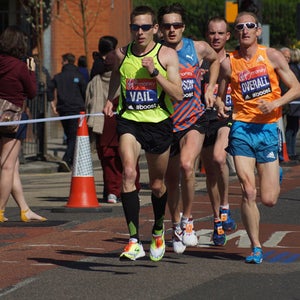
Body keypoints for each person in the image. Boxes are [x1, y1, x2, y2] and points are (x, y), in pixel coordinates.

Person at [217, 12, 300, 264]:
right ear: (236, 32)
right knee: (248, 190)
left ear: (258, 30)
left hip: (267, 129)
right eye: (240, 26)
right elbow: (221, 90)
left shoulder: (272, 56)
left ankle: (275, 173)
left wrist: (275, 102)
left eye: (250, 26)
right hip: (241, 128)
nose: (245, 30)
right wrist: (220, 102)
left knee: (269, 199)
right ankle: (256, 246)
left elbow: (296, 87)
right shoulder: (228, 62)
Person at [103, 5, 183, 261]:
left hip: (159, 124)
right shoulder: (121, 53)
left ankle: (159, 228)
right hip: (130, 122)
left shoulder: (167, 55)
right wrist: (110, 98)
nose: (140, 32)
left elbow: (178, 94)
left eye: (146, 27)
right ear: (130, 28)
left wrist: (155, 73)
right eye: (135, 27)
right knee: (128, 172)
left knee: (158, 185)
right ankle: (134, 240)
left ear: (155, 29)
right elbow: (117, 74)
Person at [157, 3, 220, 254]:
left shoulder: (198, 48)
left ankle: (189, 220)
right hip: (167, 122)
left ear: (183, 27)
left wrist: (209, 87)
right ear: (160, 29)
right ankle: (176, 227)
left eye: (176, 25)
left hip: (194, 118)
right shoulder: (156, 53)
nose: (172, 30)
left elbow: (216, 61)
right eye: (167, 26)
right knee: (171, 181)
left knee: (186, 165)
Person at [86, 36, 140, 203]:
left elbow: (88, 101)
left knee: (109, 161)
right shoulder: (126, 78)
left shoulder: (95, 80)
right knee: (129, 159)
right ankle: (132, 189)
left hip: (103, 125)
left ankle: (112, 191)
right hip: (126, 121)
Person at [0, 25, 47, 222]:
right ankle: (0, 209)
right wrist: (31, 72)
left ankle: (25, 209)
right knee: (7, 165)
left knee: (13, 165)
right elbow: (32, 92)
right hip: (13, 118)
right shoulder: (20, 67)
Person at [200, 16, 237, 246]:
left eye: (220, 33)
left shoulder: (234, 61)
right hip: (203, 120)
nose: (216, 37)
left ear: (227, 36)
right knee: (210, 172)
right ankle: (216, 221)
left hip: (226, 117)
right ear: (207, 35)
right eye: (212, 33)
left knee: (219, 158)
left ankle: (225, 207)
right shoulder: (199, 62)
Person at [49, 53, 87, 171]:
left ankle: (69, 161)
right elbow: (85, 92)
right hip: (76, 109)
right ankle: (66, 159)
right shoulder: (78, 76)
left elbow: (49, 87)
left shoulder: (58, 77)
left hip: (63, 109)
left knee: (70, 135)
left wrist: (52, 104)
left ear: (65, 61)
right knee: (73, 137)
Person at [284, 48, 300, 160]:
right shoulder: (292, 68)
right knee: (291, 128)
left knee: (294, 128)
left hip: (295, 102)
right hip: (292, 102)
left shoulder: (294, 68)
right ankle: (290, 152)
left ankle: (291, 151)